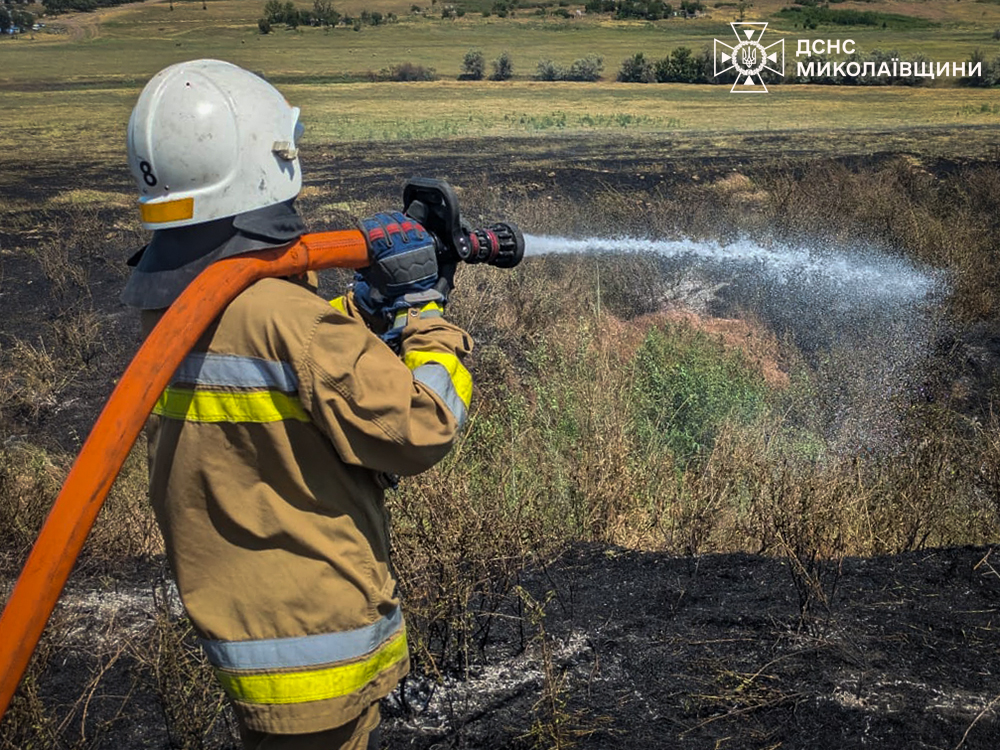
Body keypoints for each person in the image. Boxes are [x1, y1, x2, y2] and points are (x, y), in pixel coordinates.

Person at [121, 59, 473, 750]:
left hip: (251, 628)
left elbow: (280, 369)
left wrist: (357, 314)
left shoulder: (174, 308)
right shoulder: (286, 319)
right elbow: (423, 426)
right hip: (315, 644)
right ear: (268, 158)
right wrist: (424, 315)